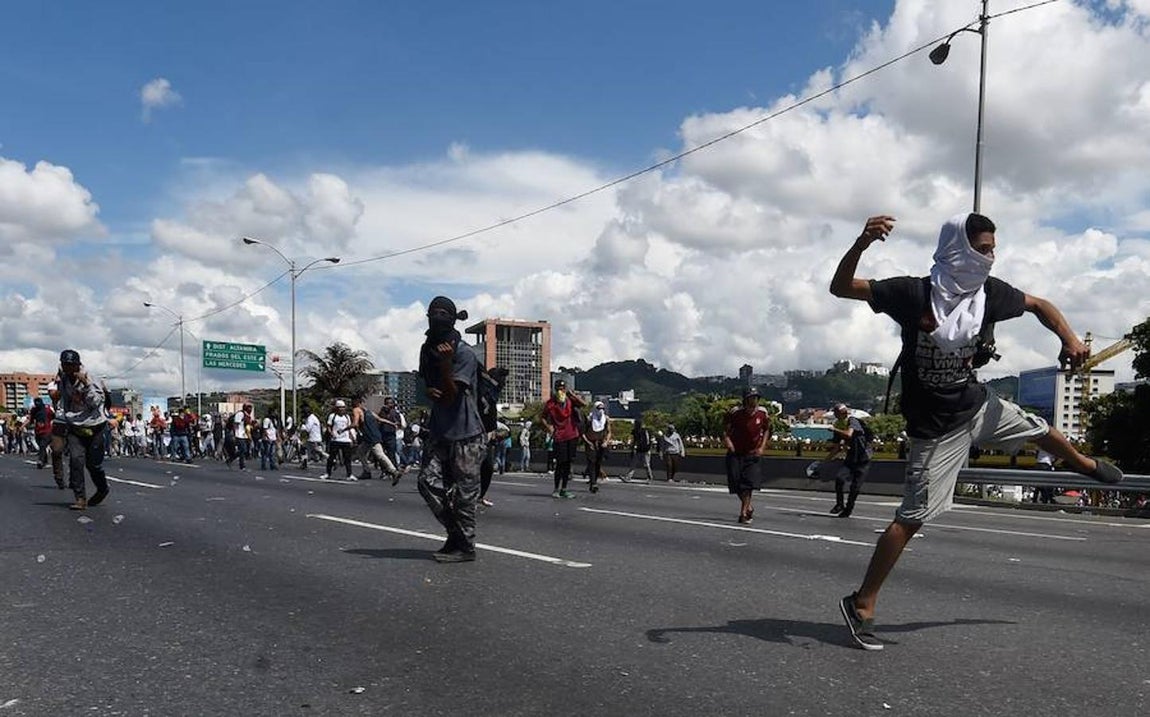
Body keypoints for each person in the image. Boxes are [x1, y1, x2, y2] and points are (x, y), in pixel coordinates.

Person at [829, 212, 1124, 651]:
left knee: (1039, 429)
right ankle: (862, 603)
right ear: (957, 250)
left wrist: (1070, 340)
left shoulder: (989, 294)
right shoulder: (913, 292)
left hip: (975, 404)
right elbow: (841, 288)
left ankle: (1082, 464)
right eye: (982, 250)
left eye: (992, 250)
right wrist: (861, 243)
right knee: (911, 519)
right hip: (935, 429)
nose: (990, 258)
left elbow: (1041, 305)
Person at [416, 296, 486, 562]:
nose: (436, 318)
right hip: (440, 431)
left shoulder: (464, 353)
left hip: (466, 434)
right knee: (426, 483)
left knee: (465, 496)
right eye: (433, 313)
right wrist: (429, 390)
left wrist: (446, 365)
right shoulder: (428, 351)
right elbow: (428, 389)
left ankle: (465, 546)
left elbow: (451, 396)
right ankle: (455, 534)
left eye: (443, 314)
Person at [53, 350, 111, 511]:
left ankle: (102, 488)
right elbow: (64, 401)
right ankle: (80, 498)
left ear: (78, 365)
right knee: (76, 460)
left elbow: (96, 402)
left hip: (95, 426)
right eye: (65, 365)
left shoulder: (91, 379)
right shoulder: (64, 380)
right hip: (75, 427)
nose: (68, 368)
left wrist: (85, 385)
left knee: (94, 465)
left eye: (71, 365)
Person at [723, 387, 772, 524]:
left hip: (752, 454)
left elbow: (767, 430)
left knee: (748, 484)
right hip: (736, 453)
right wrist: (728, 443)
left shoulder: (762, 413)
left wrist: (762, 447)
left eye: (755, 398)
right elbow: (726, 430)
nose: (753, 401)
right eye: (751, 398)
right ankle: (748, 506)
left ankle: (743, 513)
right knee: (736, 482)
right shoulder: (736, 413)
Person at [541, 378, 586, 498]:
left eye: (563, 388)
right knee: (560, 463)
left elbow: (583, 404)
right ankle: (556, 488)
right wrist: (549, 427)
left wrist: (572, 395)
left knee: (568, 463)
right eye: (559, 389)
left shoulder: (570, 400)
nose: (561, 391)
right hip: (559, 436)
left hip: (572, 434)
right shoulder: (551, 403)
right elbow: (543, 417)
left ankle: (564, 488)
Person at [827, 403, 872, 518]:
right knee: (839, 479)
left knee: (855, 487)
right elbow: (837, 447)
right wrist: (825, 461)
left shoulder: (852, 421)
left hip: (863, 458)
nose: (838, 415)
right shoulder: (838, 424)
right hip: (851, 457)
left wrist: (834, 429)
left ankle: (848, 508)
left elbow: (849, 434)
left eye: (840, 413)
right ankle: (839, 504)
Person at [353, 397, 403, 484]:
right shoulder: (369, 412)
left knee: (380, 454)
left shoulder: (356, 410)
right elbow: (380, 419)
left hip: (370, 437)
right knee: (361, 452)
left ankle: (394, 471)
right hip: (372, 437)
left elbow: (355, 423)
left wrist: (345, 429)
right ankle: (366, 471)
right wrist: (392, 423)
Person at [583, 401, 612, 493]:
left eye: (602, 409)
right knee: (591, 462)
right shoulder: (589, 419)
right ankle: (593, 483)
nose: (601, 411)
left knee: (598, 464)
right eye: (599, 408)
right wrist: (588, 442)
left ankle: (594, 480)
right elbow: (582, 433)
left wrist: (606, 442)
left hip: (600, 443)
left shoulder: (606, 419)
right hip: (591, 442)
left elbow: (609, 432)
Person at [324, 399, 355, 480]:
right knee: (331, 457)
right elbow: (328, 426)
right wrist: (332, 434)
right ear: (336, 408)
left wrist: (351, 438)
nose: (342, 409)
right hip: (336, 440)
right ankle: (328, 473)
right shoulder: (332, 416)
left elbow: (349, 428)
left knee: (347, 458)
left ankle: (349, 474)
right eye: (340, 407)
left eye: (343, 407)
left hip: (346, 440)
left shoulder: (347, 417)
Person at [624, 415, 654, 482]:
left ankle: (650, 477)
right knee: (633, 464)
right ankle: (628, 477)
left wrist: (648, 447)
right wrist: (632, 449)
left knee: (646, 464)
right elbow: (634, 440)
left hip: (645, 450)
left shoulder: (645, 431)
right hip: (639, 450)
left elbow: (648, 440)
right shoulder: (635, 431)